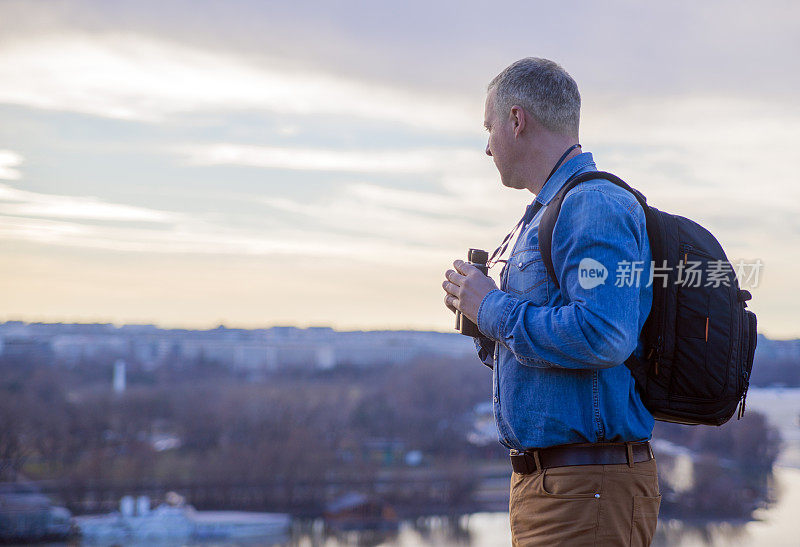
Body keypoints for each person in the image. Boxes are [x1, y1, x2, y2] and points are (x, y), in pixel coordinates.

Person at [442, 58, 661, 546]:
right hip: (560, 488)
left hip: (586, 490)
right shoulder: (546, 212)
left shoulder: (591, 205)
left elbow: (604, 335)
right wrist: (482, 318)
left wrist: (493, 309)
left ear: (517, 121)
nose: (487, 145)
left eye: (489, 127)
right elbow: (556, 364)